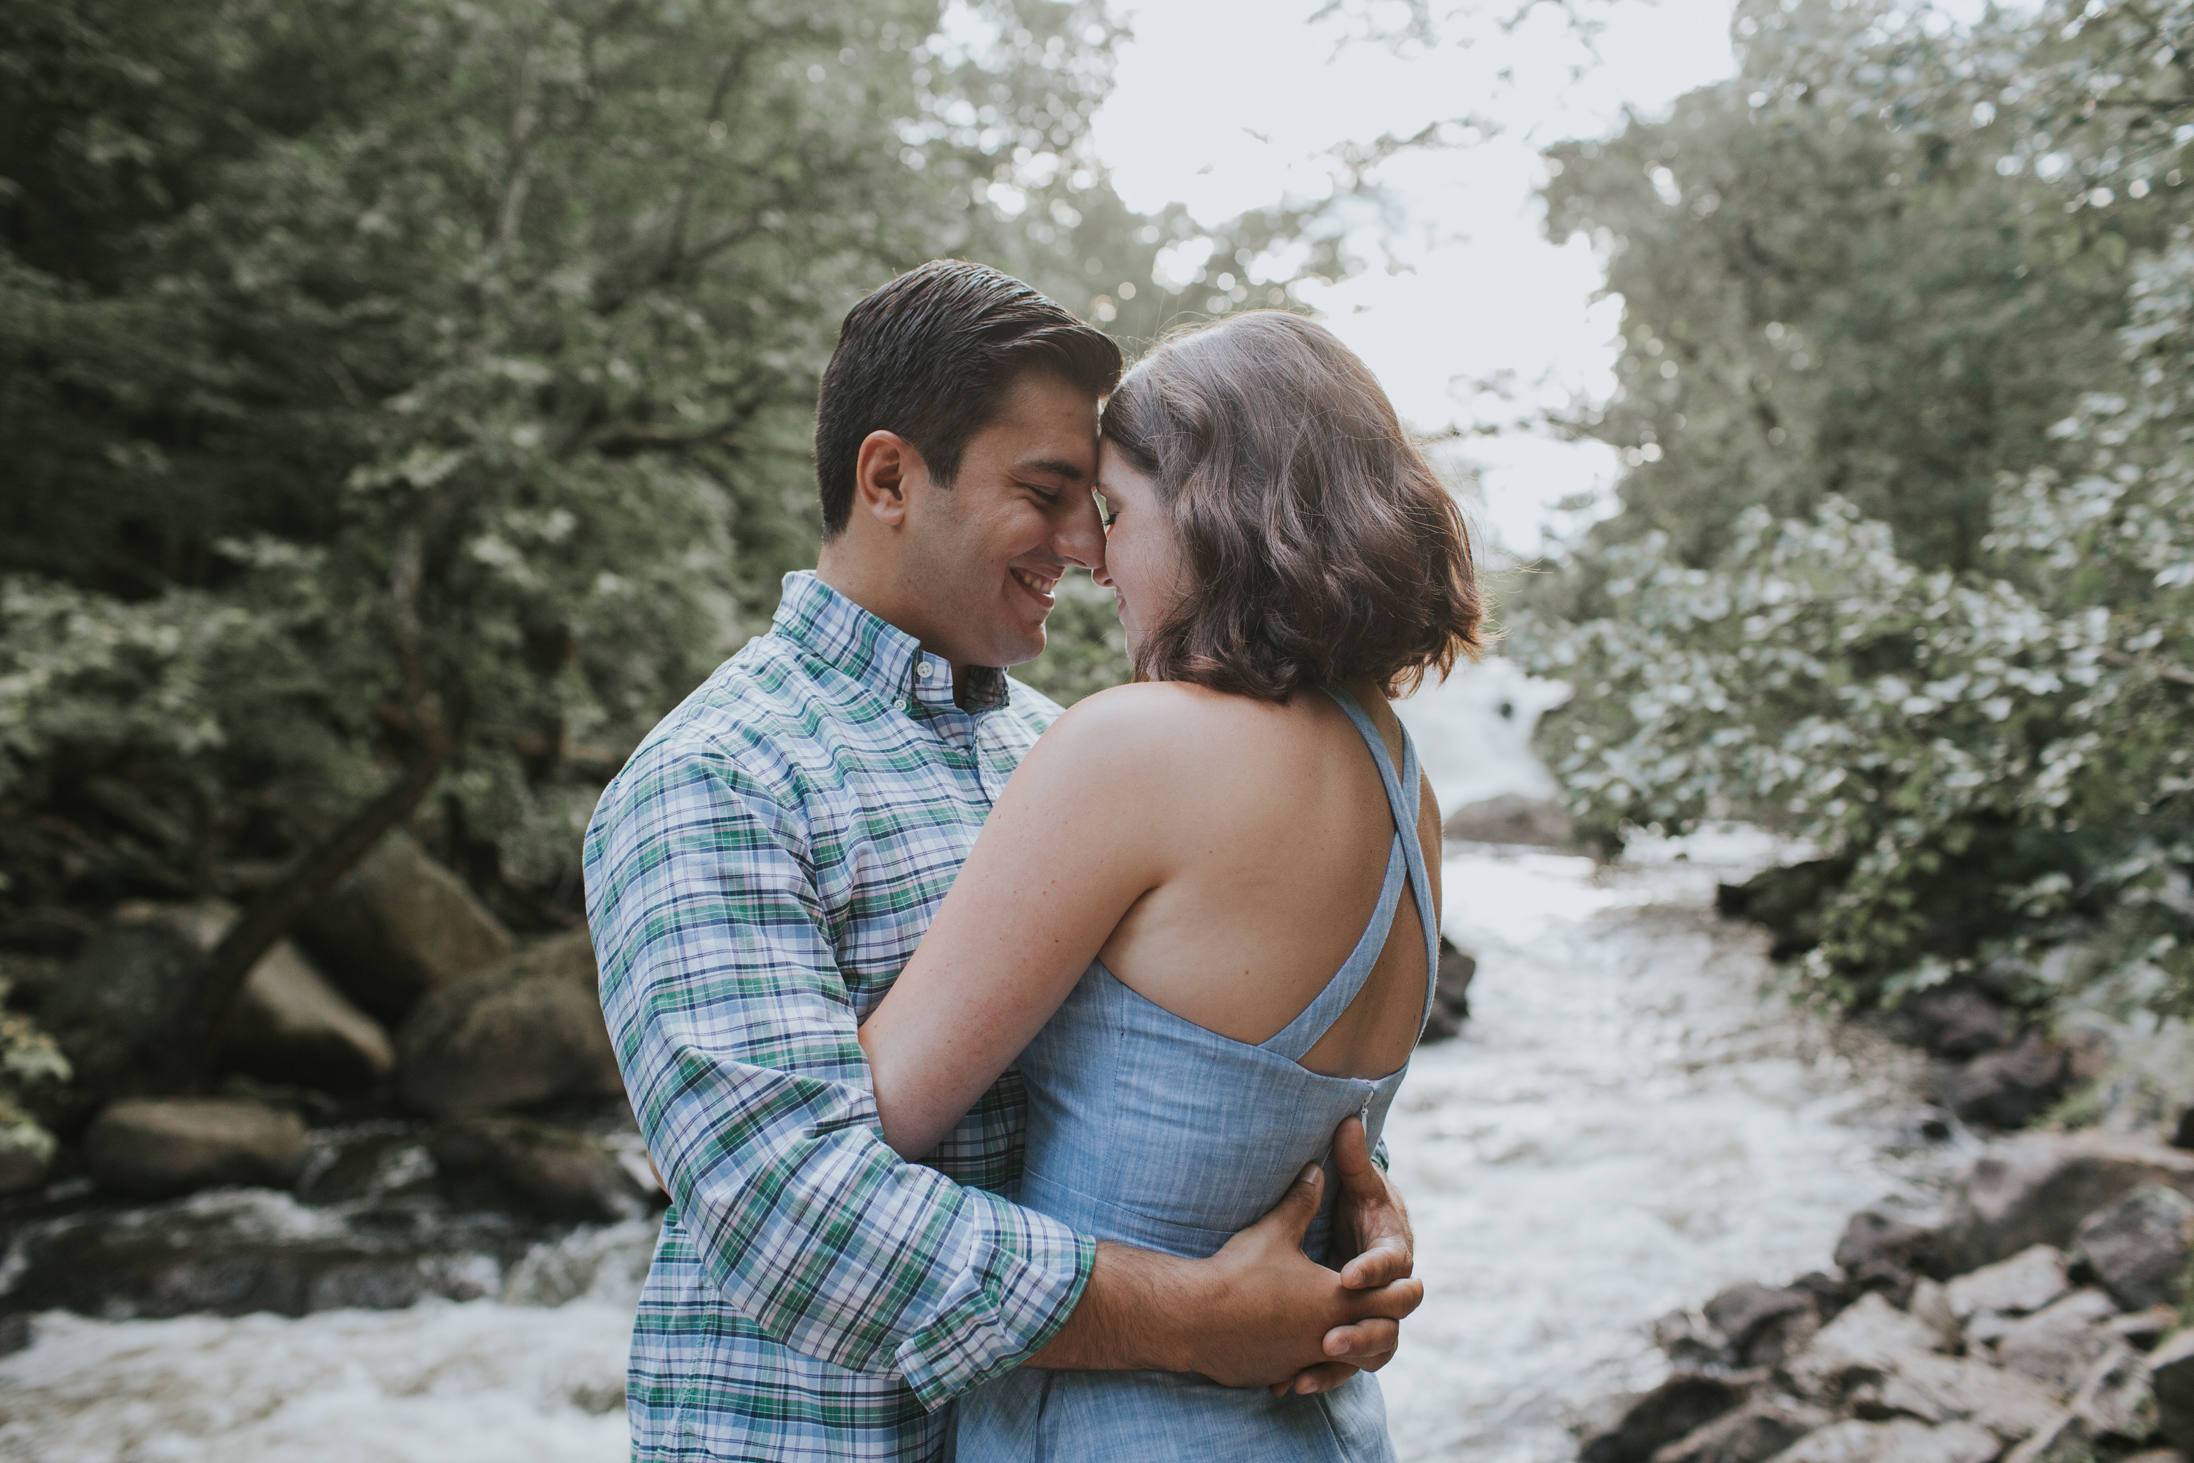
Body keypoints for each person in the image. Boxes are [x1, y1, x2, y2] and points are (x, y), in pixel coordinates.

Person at [583, 263, 1424, 1463]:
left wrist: (1338, 1227)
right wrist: (1199, 1320)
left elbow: (1156, 1089)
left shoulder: (1065, 745)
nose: (1085, 544)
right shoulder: (719, 778)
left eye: (1099, 500)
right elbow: (786, 1214)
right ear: (888, 479)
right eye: (1046, 492)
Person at [857, 308, 1480, 1460]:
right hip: (1317, 1426)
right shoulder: (1401, 778)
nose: (1093, 558)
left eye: (1116, 511)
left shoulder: (1134, 747)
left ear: (1215, 510)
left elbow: (875, 1115)